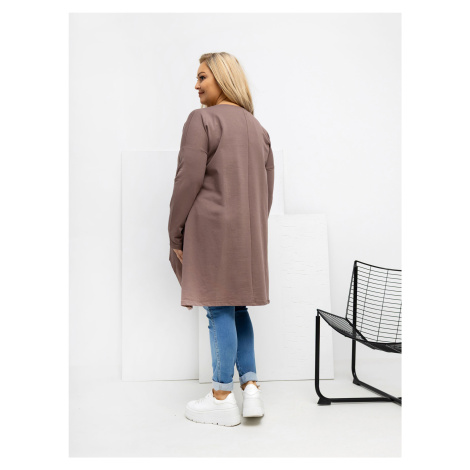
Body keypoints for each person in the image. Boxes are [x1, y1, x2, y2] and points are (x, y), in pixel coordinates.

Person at [168, 52, 274, 426]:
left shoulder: (202, 120)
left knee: (218, 308)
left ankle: (221, 397)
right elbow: (266, 193)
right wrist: (251, 229)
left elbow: (187, 180)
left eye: (202, 77)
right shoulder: (258, 129)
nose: (196, 85)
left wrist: (175, 232)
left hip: (211, 231)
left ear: (222, 79)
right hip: (248, 233)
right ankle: (251, 388)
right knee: (238, 307)